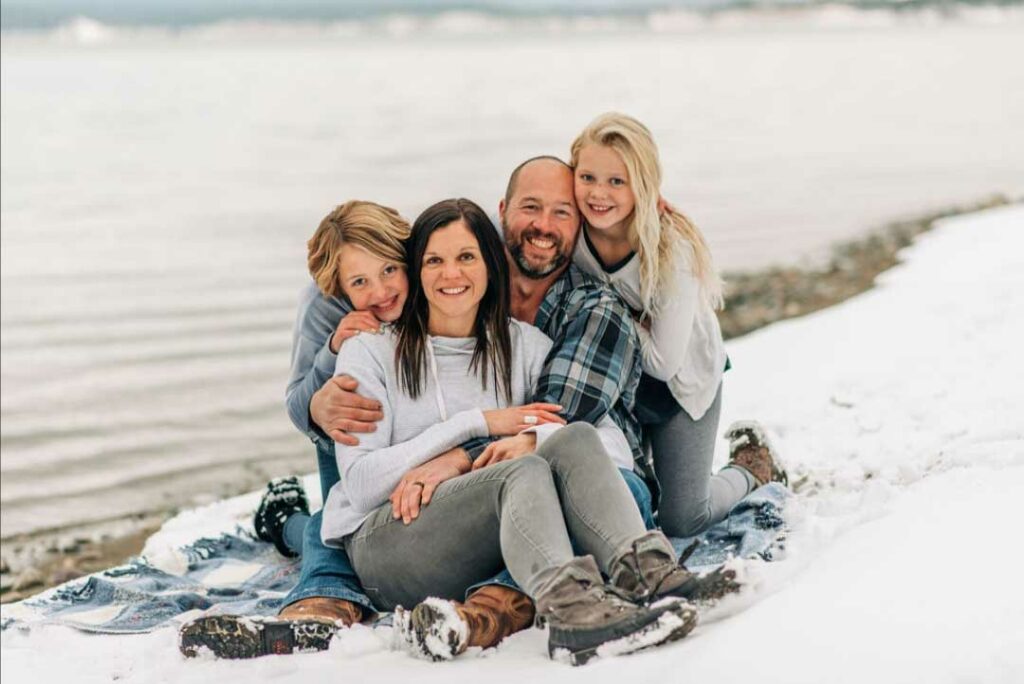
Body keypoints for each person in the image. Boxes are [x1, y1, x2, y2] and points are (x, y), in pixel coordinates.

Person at [323, 197, 701, 665]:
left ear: (489, 264)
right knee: (519, 473)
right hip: (388, 548)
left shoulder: (523, 346)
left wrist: (529, 438)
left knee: (574, 435)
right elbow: (359, 485)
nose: (450, 274)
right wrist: (476, 425)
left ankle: (648, 576)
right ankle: (573, 615)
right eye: (434, 261)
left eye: (466, 257)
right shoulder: (370, 352)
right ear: (416, 271)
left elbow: (612, 448)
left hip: (479, 544)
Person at [568, 113, 787, 538]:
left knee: (683, 519)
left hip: (680, 381)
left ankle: (752, 467)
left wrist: (611, 312)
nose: (598, 193)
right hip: (618, 382)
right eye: (588, 177)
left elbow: (664, 363)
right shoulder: (572, 230)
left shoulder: (671, 249)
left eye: (618, 181)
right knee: (629, 506)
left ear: (644, 183)